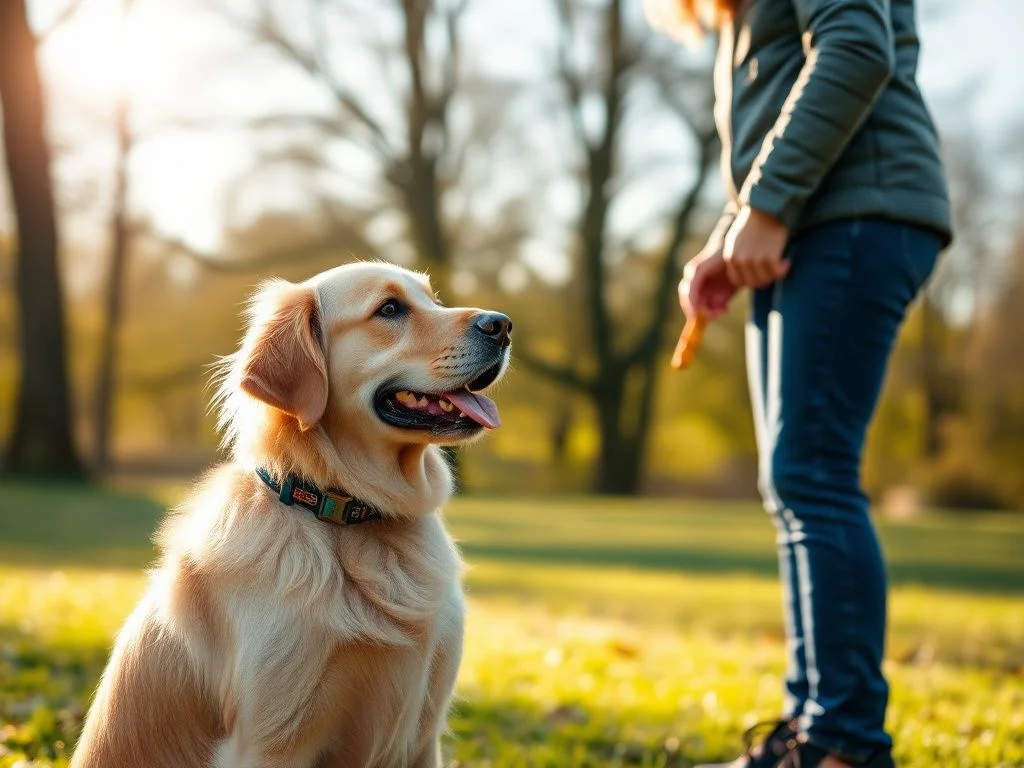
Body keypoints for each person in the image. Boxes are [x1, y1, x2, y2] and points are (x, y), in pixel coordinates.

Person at [646, 0, 953, 767]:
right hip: (813, 221)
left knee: (812, 474)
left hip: (853, 214)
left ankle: (843, 741)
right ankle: (812, 729)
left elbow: (856, 46)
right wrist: (732, 234)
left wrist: (768, 206)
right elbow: (778, 110)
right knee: (793, 482)